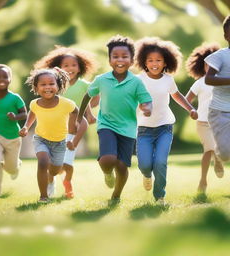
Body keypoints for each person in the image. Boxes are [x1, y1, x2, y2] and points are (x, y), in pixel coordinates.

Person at [77, 35, 152, 202]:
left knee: (122, 165)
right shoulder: (101, 80)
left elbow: (146, 100)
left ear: (132, 60)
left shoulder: (136, 82)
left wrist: (147, 108)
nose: (120, 60)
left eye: (124, 57)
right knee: (108, 160)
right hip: (106, 124)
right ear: (109, 59)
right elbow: (87, 96)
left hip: (128, 128)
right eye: (115, 56)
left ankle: (116, 195)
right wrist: (82, 115)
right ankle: (107, 173)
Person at [135, 37, 198, 205]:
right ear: (144, 62)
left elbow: (177, 96)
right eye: (150, 60)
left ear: (165, 62)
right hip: (143, 129)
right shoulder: (138, 79)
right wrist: (142, 108)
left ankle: (160, 196)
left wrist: (191, 109)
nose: (154, 63)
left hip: (164, 127)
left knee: (161, 162)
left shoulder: (168, 79)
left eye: (158, 60)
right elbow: (132, 99)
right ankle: (147, 175)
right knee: (145, 164)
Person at [34, 46, 98, 198]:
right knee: (54, 165)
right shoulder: (56, 84)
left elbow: (90, 99)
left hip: (74, 130)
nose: (70, 68)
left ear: (80, 67)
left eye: (74, 65)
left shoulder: (84, 85)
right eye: (66, 65)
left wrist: (89, 113)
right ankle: (50, 182)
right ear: (60, 68)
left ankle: (67, 182)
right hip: (56, 129)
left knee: (67, 165)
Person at [19, 68, 78, 203]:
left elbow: (75, 111)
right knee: (43, 162)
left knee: (55, 170)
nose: (47, 87)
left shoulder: (66, 103)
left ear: (58, 86)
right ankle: (43, 196)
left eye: (51, 84)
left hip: (60, 142)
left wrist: (71, 130)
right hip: (41, 139)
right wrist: (26, 127)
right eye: (43, 84)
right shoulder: (35, 103)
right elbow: (32, 112)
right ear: (36, 87)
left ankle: (51, 179)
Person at [185, 42, 224, 193]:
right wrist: (191, 110)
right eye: (208, 64)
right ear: (202, 66)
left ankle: (219, 160)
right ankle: (203, 181)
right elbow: (186, 100)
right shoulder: (199, 83)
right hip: (203, 123)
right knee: (208, 149)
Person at [0, 64, 27, 196]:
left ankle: (15, 166)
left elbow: (25, 114)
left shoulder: (15, 98)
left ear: (10, 79)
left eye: (5, 76)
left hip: (13, 137)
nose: (1, 79)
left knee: (11, 168)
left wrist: (15, 117)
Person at [204, 15, 230, 162]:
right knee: (226, 155)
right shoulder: (220, 56)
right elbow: (209, 79)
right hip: (220, 111)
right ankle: (218, 154)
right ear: (226, 36)